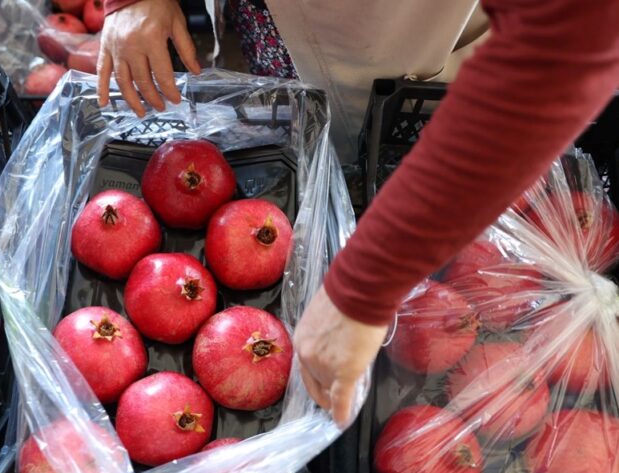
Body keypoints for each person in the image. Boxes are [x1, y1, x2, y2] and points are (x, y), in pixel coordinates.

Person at [98, 0, 619, 427]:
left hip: (402, 60)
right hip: (262, 33)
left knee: (356, 155)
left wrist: (366, 285)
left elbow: (576, 35)